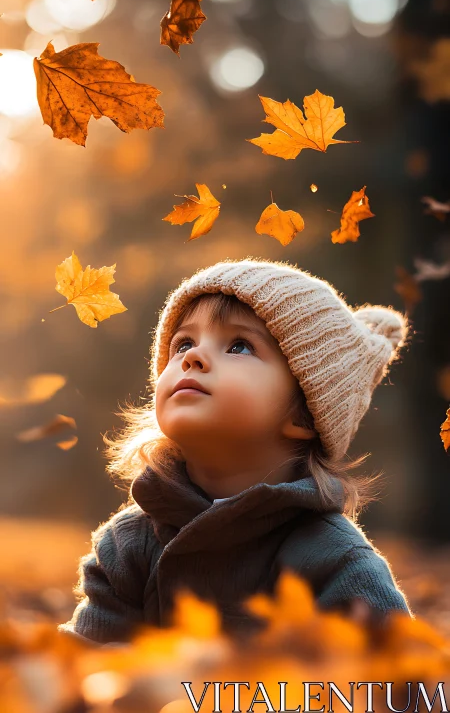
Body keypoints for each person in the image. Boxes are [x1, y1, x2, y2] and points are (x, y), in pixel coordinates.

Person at [58, 257, 414, 646]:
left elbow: (396, 669)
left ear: (305, 414)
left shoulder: (337, 558)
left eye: (239, 346)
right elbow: (84, 667)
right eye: (184, 343)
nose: (192, 357)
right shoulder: (129, 543)